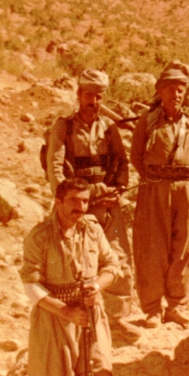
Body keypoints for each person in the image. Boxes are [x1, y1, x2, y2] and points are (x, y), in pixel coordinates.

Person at [20, 178, 122, 376]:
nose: (81, 208)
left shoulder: (93, 230)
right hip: (54, 317)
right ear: (58, 202)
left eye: (86, 202)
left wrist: (97, 287)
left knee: (101, 373)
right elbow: (30, 284)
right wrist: (66, 311)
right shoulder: (39, 237)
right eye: (74, 202)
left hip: (91, 314)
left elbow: (112, 265)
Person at [45, 69, 142, 344]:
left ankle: (117, 321)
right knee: (72, 264)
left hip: (107, 207)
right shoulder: (63, 127)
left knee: (118, 259)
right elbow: (55, 167)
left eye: (99, 97)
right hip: (76, 208)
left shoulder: (109, 128)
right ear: (79, 95)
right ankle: (72, 321)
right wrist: (71, 200)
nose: (94, 101)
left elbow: (121, 164)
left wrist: (118, 189)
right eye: (89, 95)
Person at [130, 61, 189, 328]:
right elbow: (136, 157)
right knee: (153, 248)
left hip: (187, 190)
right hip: (155, 188)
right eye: (172, 89)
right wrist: (155, 178)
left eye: (181, 90)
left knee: (184, 248)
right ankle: (152, 309)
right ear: (160, 92)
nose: (177, 95)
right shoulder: (148, 122)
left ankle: (176, 306)